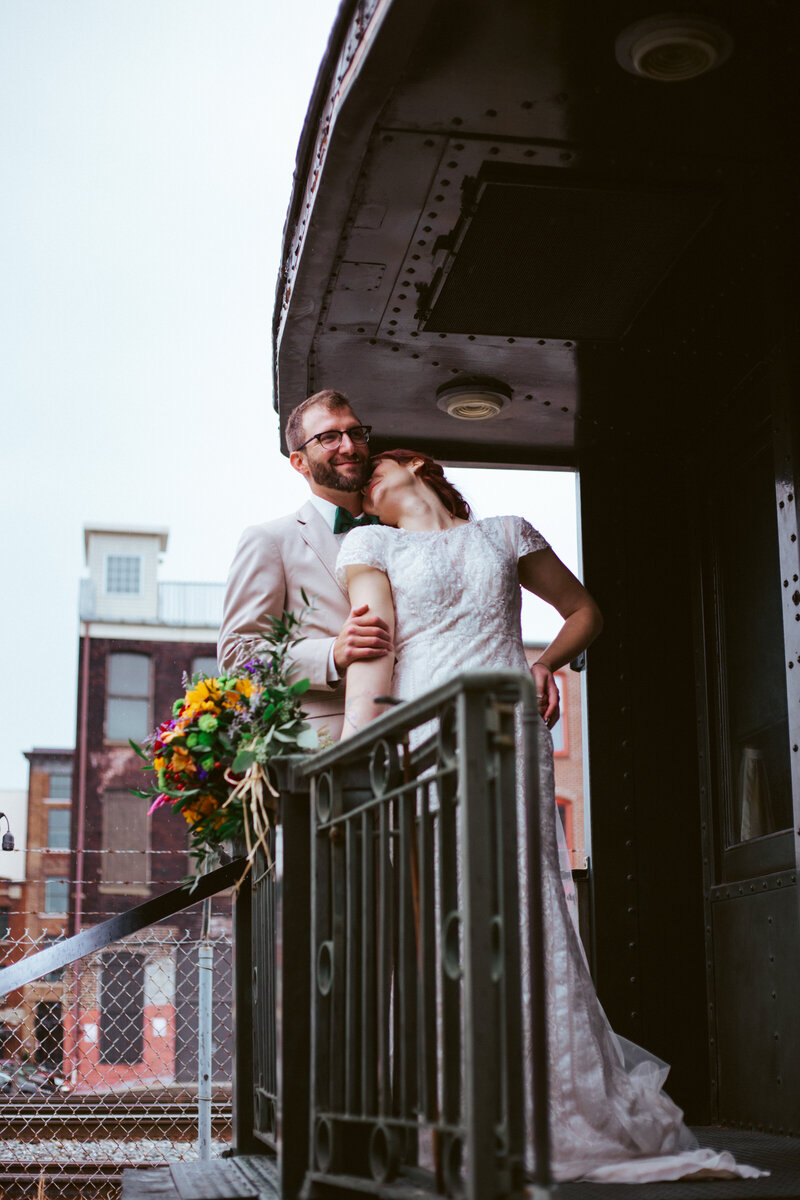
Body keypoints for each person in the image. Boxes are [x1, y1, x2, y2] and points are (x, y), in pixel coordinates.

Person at [335, 449, 765, 1185]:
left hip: (511, 728)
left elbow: (587, 610)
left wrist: (544, 662)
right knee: (440, 910)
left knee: (521, 904)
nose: (366, 481)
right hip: (427, 733)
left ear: (416, 463)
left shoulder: (506, 532)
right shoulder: (370, 543)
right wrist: (360, 746)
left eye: (377, 466)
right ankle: (453, 1110)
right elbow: (374, 650)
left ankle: (549, 1102)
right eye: (359, 483)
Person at [217, 390, 393, 740]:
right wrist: (330, 654)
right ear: (299, 462)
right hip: (325, 751)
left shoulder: (404, 531)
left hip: (428, 742)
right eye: (329, 437)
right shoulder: (269, 541)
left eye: (355, 433)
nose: (349, 446)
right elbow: (238, 656)